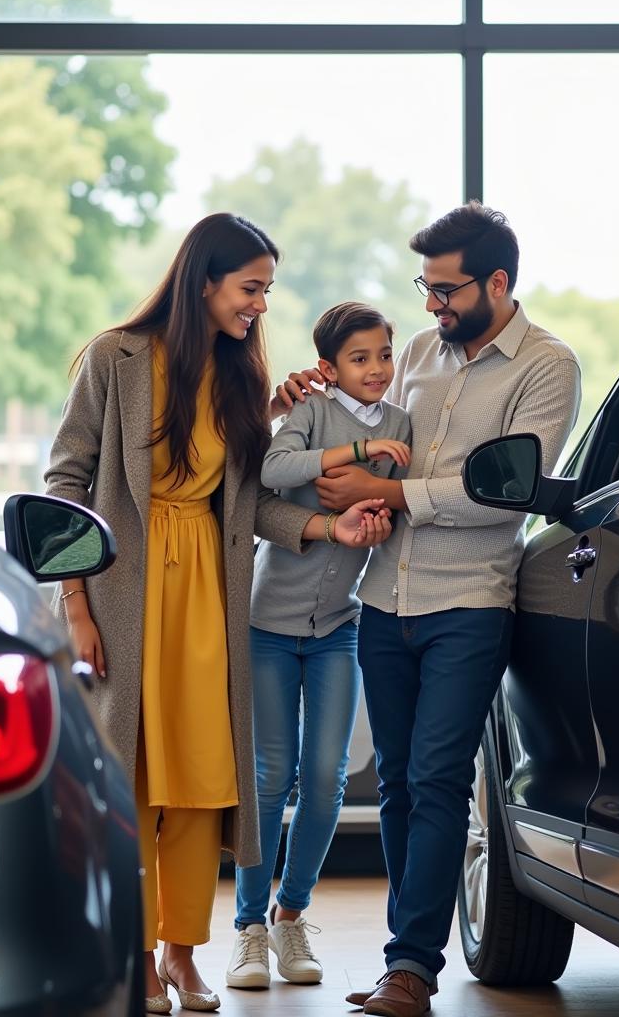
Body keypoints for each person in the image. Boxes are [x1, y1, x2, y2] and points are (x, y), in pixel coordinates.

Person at [43, 213, 391, 1016]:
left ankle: (182, 954)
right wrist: (76, 605)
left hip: (210, 593)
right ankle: (129, 954)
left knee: (202, 783)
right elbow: (65, 482)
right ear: (204, 281)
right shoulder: (114, 357)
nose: (261, 305)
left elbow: (253, 505)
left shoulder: (241, 378)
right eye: (250, 288)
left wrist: (323, 526)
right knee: (129, 781)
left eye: (266, 290)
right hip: (121, 591)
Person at [277, 202, 581, 1017]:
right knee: (403, 785)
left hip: (470, 603)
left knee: (442, 779)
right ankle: (401, 961)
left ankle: (411, 968)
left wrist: (388, 491)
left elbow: (505, 492)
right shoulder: (414, 355)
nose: (431, 306)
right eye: (426, 286)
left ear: (498, 282)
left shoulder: (547, 367)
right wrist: (307, 399)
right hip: (381, 600)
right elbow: (351, 430)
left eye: (445, 291)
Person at [225, 302, 412, 992]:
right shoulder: (312, 410)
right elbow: (274, 472)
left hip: (339, 627)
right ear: (330, 368)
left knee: (329, 782)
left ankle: (289, 913)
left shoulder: (402, 426)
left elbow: (393, 505)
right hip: (268, 629)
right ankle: (247, 928)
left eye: (384, 355)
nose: (377, 370)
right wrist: (357, 455)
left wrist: (374, 504)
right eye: (360, 359)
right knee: (270, 777)